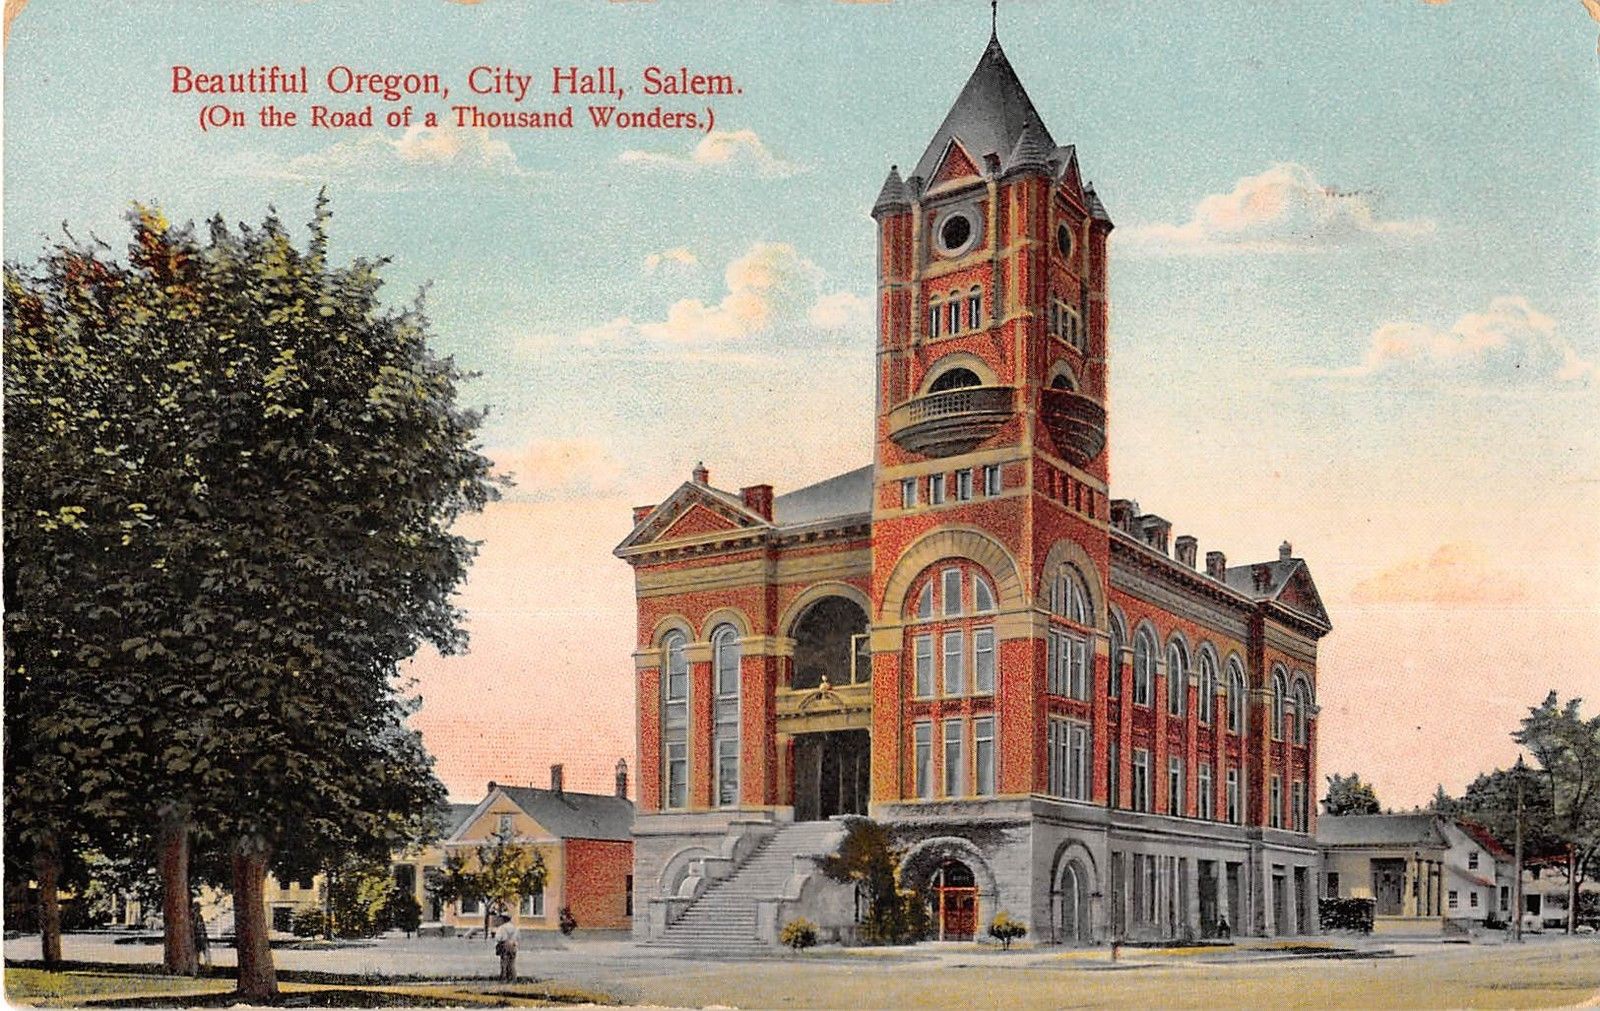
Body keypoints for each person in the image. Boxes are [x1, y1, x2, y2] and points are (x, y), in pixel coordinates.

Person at [493, 913, 519, 982]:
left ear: (503, 919)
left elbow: (498, 938)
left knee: (504, 963)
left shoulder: (502, 928)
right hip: (513, 946)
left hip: (504, 946)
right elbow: (517, 937)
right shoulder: (514, 927)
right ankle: (513, 978)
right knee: (512, 963)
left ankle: (504, 978)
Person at [190, 902, 211, 972]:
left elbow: (203, 928)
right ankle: (195, 970)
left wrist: (206, 937)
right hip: (197, 939)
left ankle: (207, 968)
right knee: (197, 955)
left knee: (206, 954)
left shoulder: (200, 917)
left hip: (201, 938)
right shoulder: (192, 918)